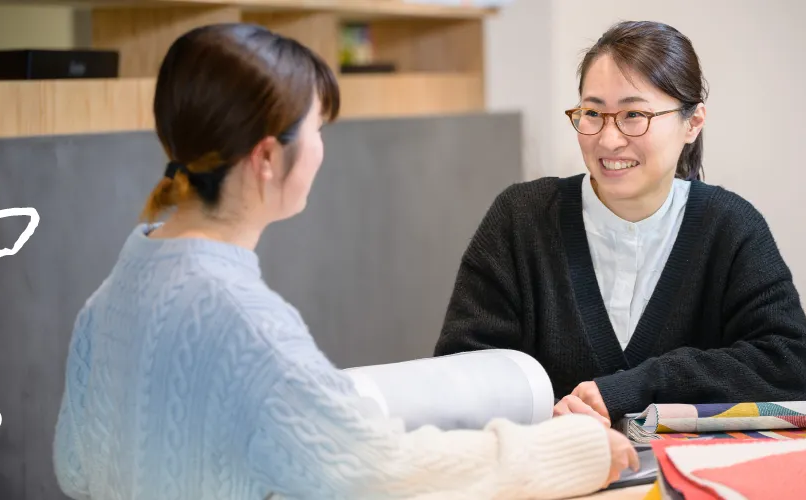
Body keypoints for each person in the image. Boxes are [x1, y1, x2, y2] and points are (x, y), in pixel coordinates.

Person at [52, 23, 635, 500]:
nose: (321, 148)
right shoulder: (244, 323)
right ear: (265, 158)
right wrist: (575, 449)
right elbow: (380, 470)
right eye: (315, 129)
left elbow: (76, 469)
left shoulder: (114, 295)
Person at [434, 20, 806, 423]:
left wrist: (638, 387)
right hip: (554, 477)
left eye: (634, 114)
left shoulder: (731, 227)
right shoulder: (520, 219)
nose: (609, 139)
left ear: (693, 123)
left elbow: (787, 368)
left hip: (688, 481)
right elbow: (462, 371)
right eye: (593, 113)